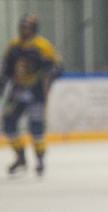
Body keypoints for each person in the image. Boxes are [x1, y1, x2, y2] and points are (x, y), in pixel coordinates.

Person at [1, 14, 62, 177]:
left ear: (34, 29)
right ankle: (20, 157)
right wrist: (2, 84)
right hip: (17, 92)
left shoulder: (43, 45)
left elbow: (58, 67)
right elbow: (6, 69)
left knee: (35, 127)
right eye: (23, 27)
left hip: (36, 93)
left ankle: (40, 160)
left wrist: (50, 69)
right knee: (8, 124)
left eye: (27, 27)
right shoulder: (14, 45)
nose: (24, 30)